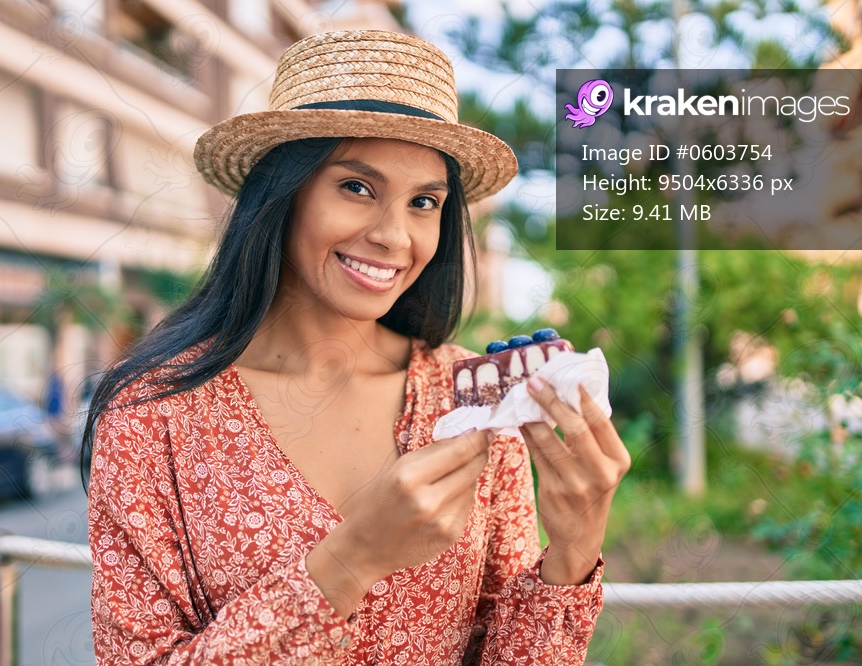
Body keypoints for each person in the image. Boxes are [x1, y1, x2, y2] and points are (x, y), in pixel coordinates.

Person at [82, 29, 630, 665]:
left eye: (423, 202)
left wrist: (572, 552)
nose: (395, 236)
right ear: (283, 194)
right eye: (357, 187)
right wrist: (352, 560)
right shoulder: (152, 413)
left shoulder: (473, 399)